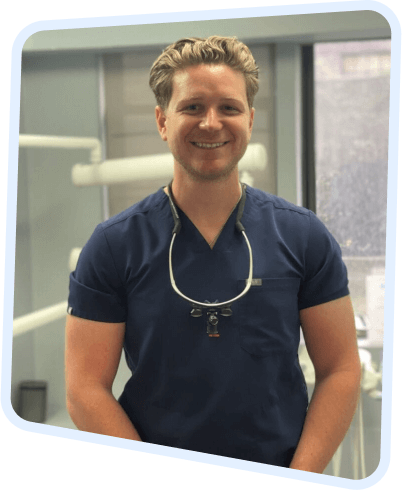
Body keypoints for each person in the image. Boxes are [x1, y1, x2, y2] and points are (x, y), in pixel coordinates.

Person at [65, 36, 362, 472]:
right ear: (162, 121)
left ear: (250, 119)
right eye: (191, 107)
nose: (210, 123)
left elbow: (340, 368)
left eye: (229, 107)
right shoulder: (113, 245)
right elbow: (84, 389)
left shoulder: (303, 236)